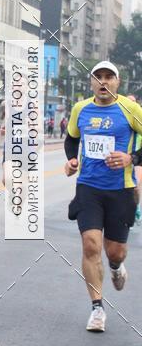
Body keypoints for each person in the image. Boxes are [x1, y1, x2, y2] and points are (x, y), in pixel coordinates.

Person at [64, 62, 142, 331]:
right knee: (90, 245)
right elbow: (71, 138)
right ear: (91, 83)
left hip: (121, 190)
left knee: (114, 250)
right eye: (98, 77)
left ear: (118, 83)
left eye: (109, 77)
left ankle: (117, 265)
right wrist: (72, 159)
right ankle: (97, 309)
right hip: (89, 187)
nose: (104, 82)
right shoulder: (80, 109)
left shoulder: (130, 110)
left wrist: (131, 157)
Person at [126, 95, 142, 225]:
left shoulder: (138, 118)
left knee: (136, 187)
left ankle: (136, 207)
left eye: (133, 103)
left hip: (137, 159)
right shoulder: (119, 117)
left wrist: (137, 156)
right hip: (122, 159)